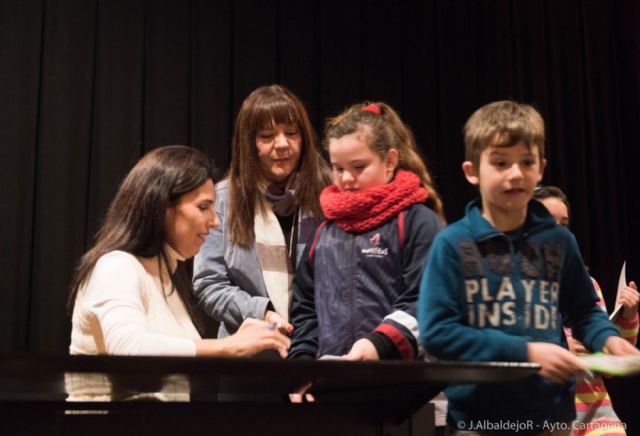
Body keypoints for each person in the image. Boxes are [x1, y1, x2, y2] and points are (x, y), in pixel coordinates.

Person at [417, 100, 640, 436]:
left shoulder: (559, 242)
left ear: (541, 168)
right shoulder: (452, 244)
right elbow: (438, 333)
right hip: (478, 421)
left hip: (552, 418)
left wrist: (608, 340)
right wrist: (526, 352)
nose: (516, 173)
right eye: (501, 162)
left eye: (526, 162)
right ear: (472, 171)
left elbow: (584, 312)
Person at [68, 145, 290, 359]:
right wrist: (227, 346)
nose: (214, 221)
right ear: (162, 206)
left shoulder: (164, 276)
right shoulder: (116, 266)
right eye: (203, 207)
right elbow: (129, 347)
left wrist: (241, 339)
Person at [288, 101, 445, 364]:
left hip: (404, 382)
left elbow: (427, 299)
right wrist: (302, 364)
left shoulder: (419, 222)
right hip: (334, 380)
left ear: (390, 161)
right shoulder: (324, 231)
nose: (347, 178)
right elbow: (305, 308)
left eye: (359, 167)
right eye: (339, 168)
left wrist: (379, 345)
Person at [193, 85, 332, 339]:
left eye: (292, 133)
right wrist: (262, 312)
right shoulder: (224, 199)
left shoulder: (329, 194)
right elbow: (208, 283)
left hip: (320, 348)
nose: (282, 144)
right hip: (250, 354)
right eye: (267, 136)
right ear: (249, 143)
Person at [534, 185, 639, 436]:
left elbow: (608, 369)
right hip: (543, 416)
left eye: (564, 224)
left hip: (596, 415)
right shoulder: (508, 283)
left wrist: (627, 318)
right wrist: (560, 346)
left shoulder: (586, 284)